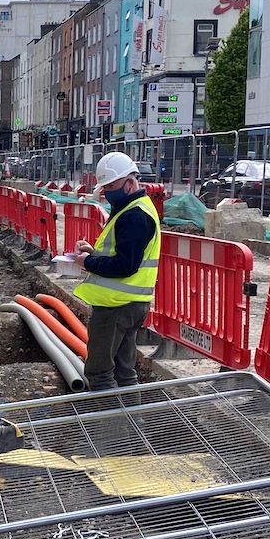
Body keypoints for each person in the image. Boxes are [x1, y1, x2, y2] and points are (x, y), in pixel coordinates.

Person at [74, 152, 160, 391]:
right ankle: (130, 425)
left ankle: (112, 427)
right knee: (124, 372)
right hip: (130, 305)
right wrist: (93, 253)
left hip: (116, 308)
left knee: (99, 373)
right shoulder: (135, 209)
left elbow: (125, 265)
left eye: (111, 186)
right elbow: (126, 256)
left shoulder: (134, 215)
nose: (107, 192)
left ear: (130, 183)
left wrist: (88, 263)